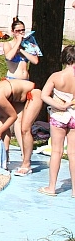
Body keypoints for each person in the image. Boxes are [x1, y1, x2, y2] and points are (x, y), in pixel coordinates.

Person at [38, 45, 75, 196]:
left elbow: (44, 95)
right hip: (74, 116)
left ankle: (52, 187)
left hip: (59, 115)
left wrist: (59, 105)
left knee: (56, 151)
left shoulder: (56, 76)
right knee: (73, 153)